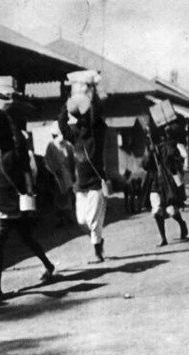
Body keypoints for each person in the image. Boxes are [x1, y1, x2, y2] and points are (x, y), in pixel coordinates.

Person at [0, 76, 57, 297]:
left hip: (16, 201)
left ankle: (48, 264)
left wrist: (7, 114)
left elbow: (17, 138)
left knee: (27, 238)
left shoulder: (15, 149)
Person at [57, 69, 109, 263]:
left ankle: (97, 252)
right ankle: (98, 240)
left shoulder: (97, 132)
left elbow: (96, 113)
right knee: (81, 221)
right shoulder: (75, 134)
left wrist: (92, 91)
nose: (86, 119)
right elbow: (62, 124)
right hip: (81, 184)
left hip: (96, 181)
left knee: (93, 221)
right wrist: (68, 99)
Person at [146, 125, 188, 246]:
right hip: (155, 182)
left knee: (171, 210)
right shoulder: (151, 148)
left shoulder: (171, 146)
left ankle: (181, 223)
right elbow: (145, 165)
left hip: (168, 183)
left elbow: (175, 160)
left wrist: (168, 151)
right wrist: (150, 152)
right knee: (157, 211)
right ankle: (163, 238)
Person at [43, 122, 76, 227]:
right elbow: (48, 162)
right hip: (58, 175)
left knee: (65, 196)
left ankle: (66, 217)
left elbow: (72, 161)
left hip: (64, 175)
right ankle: (62, 218)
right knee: (61, 197)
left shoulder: (66, 145)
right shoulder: (53, 146)